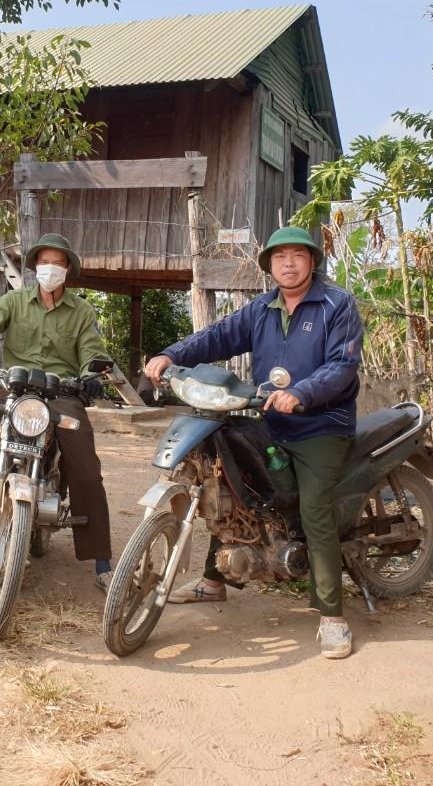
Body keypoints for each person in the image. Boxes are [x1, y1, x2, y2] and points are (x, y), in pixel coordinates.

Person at [143, 225, 363, 659]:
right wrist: (171, 354)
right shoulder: (262, 307)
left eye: (297, 255)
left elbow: (342, 366)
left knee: (314, 508)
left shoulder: (338, 304)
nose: (288, 263)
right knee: (229, 483)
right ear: (270, 266)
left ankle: (332, 616)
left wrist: (302, 393)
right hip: (270, 419)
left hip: (322, 424)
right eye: (279, 257)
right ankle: (212, 582)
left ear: (312, 262)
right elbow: (216, 337)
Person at [0, 233, 116, 591]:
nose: (49, 268)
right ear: (34, 267)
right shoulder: (14, 301)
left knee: (84, 460)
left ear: (67, 269)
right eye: (44, 262)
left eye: (57, 262)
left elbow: (91, 350)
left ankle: (101, 560)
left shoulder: (82, 311)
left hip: (62, 394)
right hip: (15, 387)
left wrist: (90, 375)